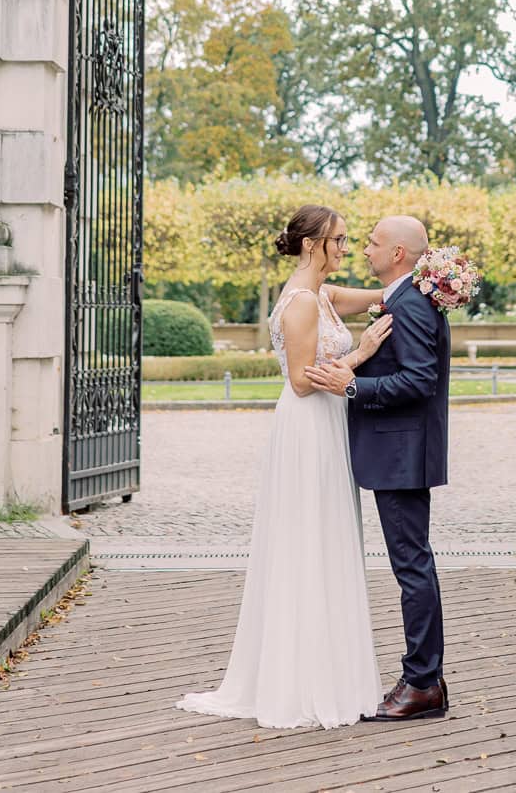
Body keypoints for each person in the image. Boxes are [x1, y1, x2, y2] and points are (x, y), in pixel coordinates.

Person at [177, 204, 391, 730]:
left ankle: (330, 669)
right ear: (312, 244)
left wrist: (417, 287)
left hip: (327, 426)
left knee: (326, 541)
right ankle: (300, 681)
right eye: (339, 240)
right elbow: (301, 380)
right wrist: (361, 354)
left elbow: (371, 298)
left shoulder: (322, 292)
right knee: (305, 543)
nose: (346, 248)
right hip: (306, 427)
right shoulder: (299, 303)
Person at [307, 214, 451, 721]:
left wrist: (351, 387)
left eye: (371, 243)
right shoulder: (403, 299)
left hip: (401, 455)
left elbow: (418, 381)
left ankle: (422, 683)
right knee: (413, 564)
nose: (364, 250)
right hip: (398, 453)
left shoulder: (410, 304)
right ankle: (427, 677)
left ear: (396, 254)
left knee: (412, 567)